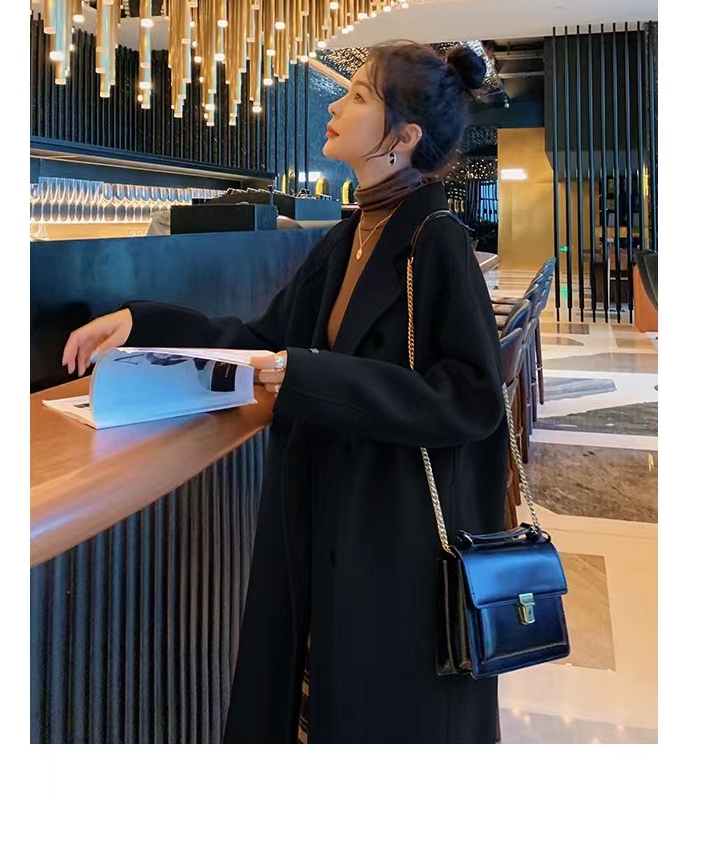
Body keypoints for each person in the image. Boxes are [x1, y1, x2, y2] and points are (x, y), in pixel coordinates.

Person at [62, 40, 507, 744]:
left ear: (403, 138)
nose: (336, 105)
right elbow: (260, 336)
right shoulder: (349, 235)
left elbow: (472, 397)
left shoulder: (436, 240)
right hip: (329, 507)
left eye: (358, 95)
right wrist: (141, 322)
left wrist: (310, 375)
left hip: (395, 533)